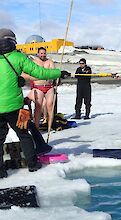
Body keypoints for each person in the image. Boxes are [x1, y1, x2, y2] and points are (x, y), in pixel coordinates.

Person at [0, 28, 70, 178]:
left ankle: (0, 172)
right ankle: (32, 164)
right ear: (12, 41)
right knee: (24, 134)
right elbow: (40, 73)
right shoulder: (18, 57)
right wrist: (59, 73)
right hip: (16, 106)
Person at [25, 47, 56, 129]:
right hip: (38, 87)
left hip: (49, 87)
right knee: (38, 106)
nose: (43, 55)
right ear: (38, 54)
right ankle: (36, 128)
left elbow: (53, 72)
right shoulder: (34, 62)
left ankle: (50, 126)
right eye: (41, 53)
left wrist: (54, 77)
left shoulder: (50, 62)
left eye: (44, 53)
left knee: (50, 105)